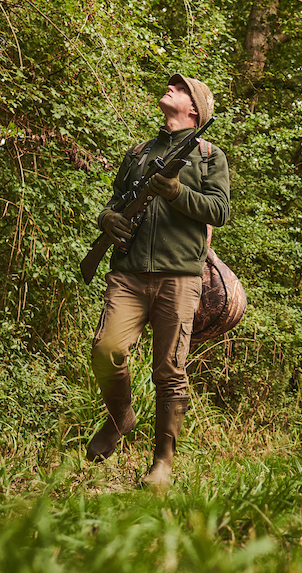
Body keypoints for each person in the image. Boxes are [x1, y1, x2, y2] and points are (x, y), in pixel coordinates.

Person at [87, 73, 230, 488]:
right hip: (128, 275)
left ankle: (162, 465)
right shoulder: (139, 152)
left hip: (179, 277)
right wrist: (107, 218)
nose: (172, 89)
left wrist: (174, 193)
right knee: (105, 349)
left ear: (194, 109)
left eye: (181, 88)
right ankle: (121, 417)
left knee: (169, 370)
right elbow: (116, 202)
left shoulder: (207, 155)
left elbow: (219, 211)